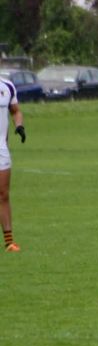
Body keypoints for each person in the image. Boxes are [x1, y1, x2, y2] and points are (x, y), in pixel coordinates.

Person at [0, 71, 24, 252]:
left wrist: (19, 125)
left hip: (1, 149)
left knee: (3, 194)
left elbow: (15, 111)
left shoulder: (7, 86)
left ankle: (9, 242)